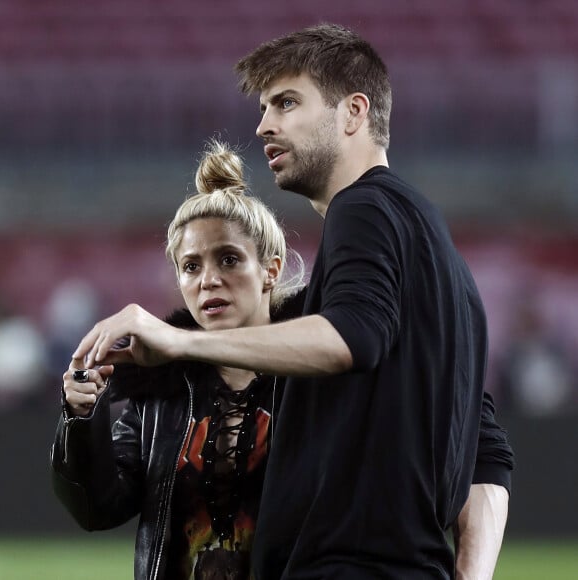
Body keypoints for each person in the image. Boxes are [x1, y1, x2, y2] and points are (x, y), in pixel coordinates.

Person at [72, 24, 514, 579]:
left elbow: (352, 335)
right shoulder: (437, 250)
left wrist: (181, 340)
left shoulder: (364, 209)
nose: (263, 126)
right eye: (263, 108)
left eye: (286, 103)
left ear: (354, 112)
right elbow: (487, 447)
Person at [51, 140, 306, 580]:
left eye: (228, 259)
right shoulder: (162, 390)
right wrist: (81, 413)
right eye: (190, 266)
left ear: (271, 269)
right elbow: (98, 508)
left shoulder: (315, 377)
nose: (209, 279)